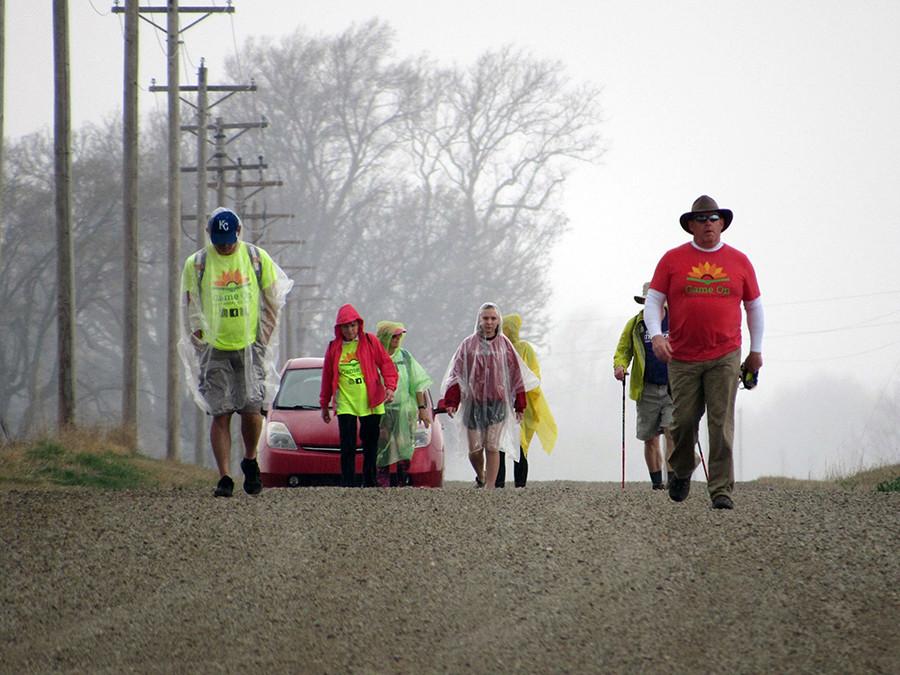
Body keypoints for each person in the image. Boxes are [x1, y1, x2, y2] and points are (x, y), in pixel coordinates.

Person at [645, 195, 764, 510]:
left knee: (720, 423)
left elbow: (754, 306)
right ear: (690, 226)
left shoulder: (740, 261)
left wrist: (756, 351)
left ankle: (721, 489)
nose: (708, 224)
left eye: (714, 218)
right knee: (681, 422)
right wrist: (657, 336)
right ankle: (682, 470)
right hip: (682, 356)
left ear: (722, 223)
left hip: (725, 354)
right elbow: (653, 302)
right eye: (702, 219)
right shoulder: (672, 260)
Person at [180, 206, 293, 498]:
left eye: (230, 240)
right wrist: (199, 341)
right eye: (220, 240)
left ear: (239, 233)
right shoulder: (198, 263)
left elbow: (272, 300)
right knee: (221, 412)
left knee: (251, 409)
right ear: (210, 236)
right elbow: (191, 306)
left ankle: (250, 459)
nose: (226, 245)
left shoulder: (256, 259)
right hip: (214, 349)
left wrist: (263, 339)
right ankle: (225, 477)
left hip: (249, 346)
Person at [440, 302, 538, 490]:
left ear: (498, 320)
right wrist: (452, 401)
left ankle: (490, 488)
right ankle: (481, 474)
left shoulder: (505, 345)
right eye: (486, 318)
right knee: (475, 448)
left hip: (498, 402)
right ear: (479, 320)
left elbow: (516, 375)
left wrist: (520, 404)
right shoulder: (468, 344)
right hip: (473, 403)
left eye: (493, 318)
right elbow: (457, 374)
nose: (489, 322)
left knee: (493, 445)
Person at [320, 304, 398, 487]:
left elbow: (386, 365)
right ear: (339, 328)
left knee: (370, 443)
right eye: (346, 326)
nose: (350, 330)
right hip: (346, 401)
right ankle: (347, 483)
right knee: (347, 444)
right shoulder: (334, 348)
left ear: (359, 325)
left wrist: (390, 387)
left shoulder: (370, 341)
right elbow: (327, 377)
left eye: (353, 325)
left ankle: (369, 481)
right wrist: (324, 404)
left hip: (371, 400)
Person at [613, 282, 674, 490]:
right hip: (646, 388)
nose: (651, 306)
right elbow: (623, 350)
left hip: (673, 388)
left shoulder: (676, 321)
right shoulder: (636, 324)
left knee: (671, 431)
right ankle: (657, 484)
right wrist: (620, 366)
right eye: (647, 302)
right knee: (650, 438)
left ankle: (674, 481)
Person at [496, 313, 557, 488]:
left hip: (523, 404)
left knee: (519, 444)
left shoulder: (524, 348)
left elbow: (533, 374)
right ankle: (500, 483)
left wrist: (520, 387)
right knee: (500, 443)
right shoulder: (499, 347)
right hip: (503, 402)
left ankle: (518, 484)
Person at [374, 321, 433, 487]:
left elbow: (417, 384)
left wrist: (422, 409)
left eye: (400, 335)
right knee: (382, 445)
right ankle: (382, 480)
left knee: (404, 446)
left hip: (404, 410)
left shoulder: (405, 357)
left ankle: (402, 479)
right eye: (394, 336)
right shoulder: (375, 357)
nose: (397, 339)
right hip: (382, 410)